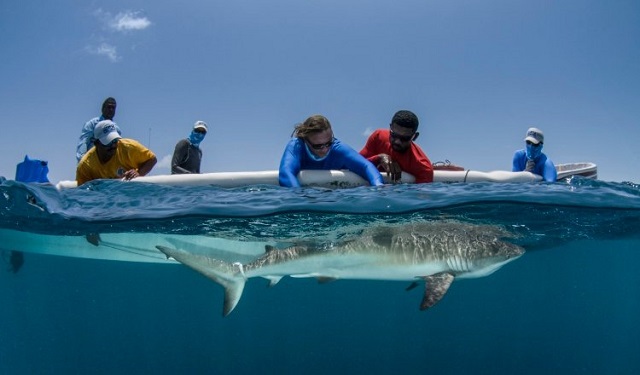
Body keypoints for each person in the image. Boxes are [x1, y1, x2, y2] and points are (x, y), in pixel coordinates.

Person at [279, 114, 384, 188]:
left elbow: (366, 167)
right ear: (306, 140)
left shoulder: (338, 148)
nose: (325, 149)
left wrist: (379, 187)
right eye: (318, 146)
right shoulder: (297, 146)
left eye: (328, 143)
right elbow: (286, 173)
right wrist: (299, 200)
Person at [359, 110, 433, 183]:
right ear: (390, 127)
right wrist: (378, 159)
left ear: (415, 137)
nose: (397, 141)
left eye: (404, 138)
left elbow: (422, 194)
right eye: (393, 135)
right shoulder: (378, 137)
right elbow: (354, 164)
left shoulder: (423, 167)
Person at [76, 120, 157, 186]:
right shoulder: (85, 166)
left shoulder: (129, 147)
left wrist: (138, 173)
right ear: (96, 143)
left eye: (115, 140)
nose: (113, 145)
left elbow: (152, 159)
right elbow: (84, 193)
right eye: (108, 142)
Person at [76, 97, 122, 162]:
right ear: (103, 109)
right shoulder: (92, 124)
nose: (111, 110)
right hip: (92, 162)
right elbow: (84, 142)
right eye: (109, 107)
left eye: (113, 108)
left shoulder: (116, 128)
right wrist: (82, 160)